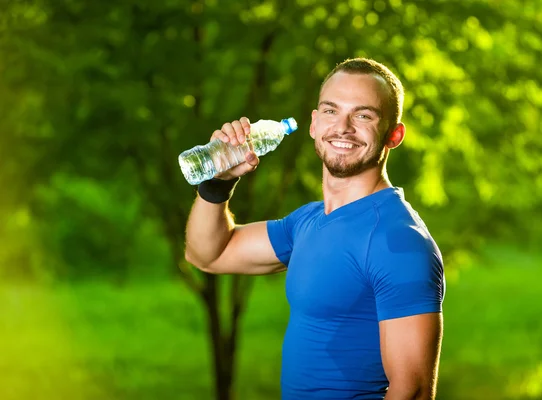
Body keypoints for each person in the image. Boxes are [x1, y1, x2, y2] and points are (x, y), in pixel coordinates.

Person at [185, 58, 446, 400]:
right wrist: (218, 183)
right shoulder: (308, 222)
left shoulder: (399, 242)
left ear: (393, 135)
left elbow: (412, 393)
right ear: (313, 123)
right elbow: (208, 255)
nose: (343, 127)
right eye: (331, 111)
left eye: (363, 115)